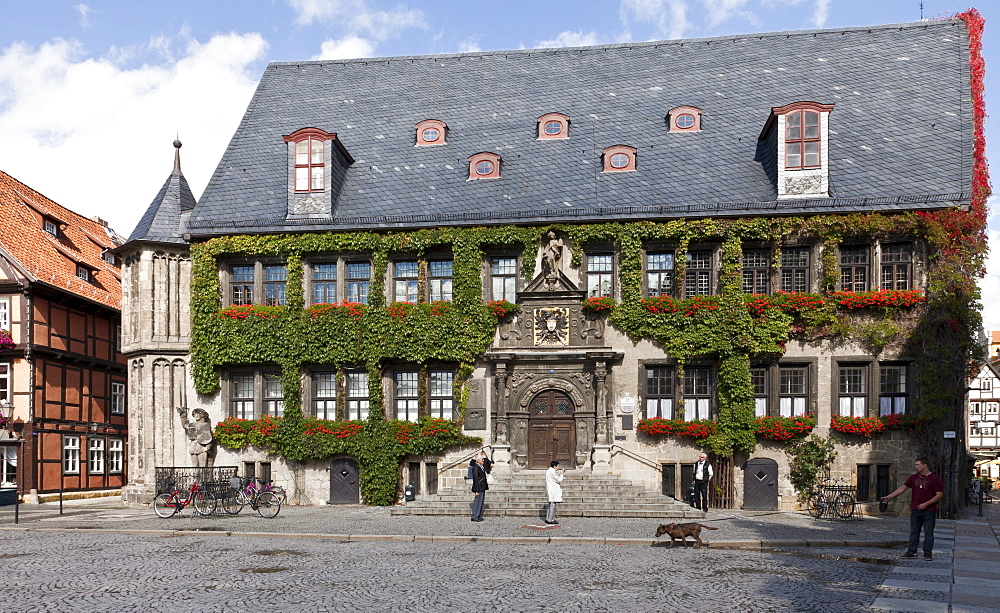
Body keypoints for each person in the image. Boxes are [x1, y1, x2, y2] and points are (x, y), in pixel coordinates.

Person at [881, 456, 945, 561]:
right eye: (915, 465)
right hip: (915, 509)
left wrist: (926, 504)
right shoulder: (913, 478)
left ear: (925, 465)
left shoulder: (934, 479)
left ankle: (927, 553)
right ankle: (912, 551)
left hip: (929, 510)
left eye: (918, 465)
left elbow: (939, 495)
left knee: (928, 532)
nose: (916, 467)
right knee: (914, 531)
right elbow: (902, 488)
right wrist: (889, 496)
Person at [467, 453, 493, 522]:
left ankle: (478, 515)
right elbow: (475, 479)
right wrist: (476, 490)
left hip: (482, 486)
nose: (483, 460)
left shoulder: (480, 466)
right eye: (482, 459)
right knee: (478, 502)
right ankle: (475, 516)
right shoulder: (476, 467)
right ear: (478, 460)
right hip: (479, 487)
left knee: (481, 502)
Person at [545, 460, 566, 525]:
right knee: (552, 504)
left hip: (551, 488)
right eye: (558, 466)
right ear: (554, 466)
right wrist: (562, 474)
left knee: (550, 504)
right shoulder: (552, 472)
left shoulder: (550, 471)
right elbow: (559, 480)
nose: (558, 468)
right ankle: (550, 519)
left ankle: (548, 518)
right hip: (552, 489)